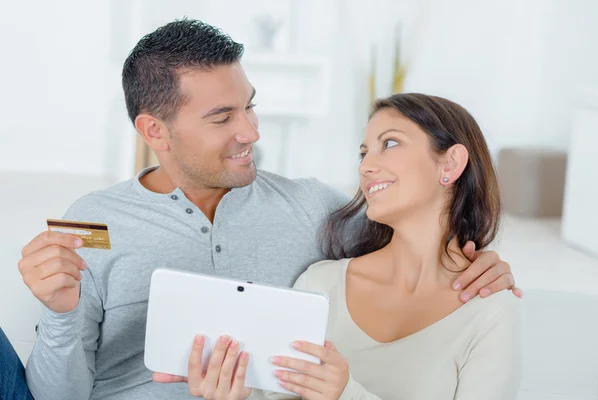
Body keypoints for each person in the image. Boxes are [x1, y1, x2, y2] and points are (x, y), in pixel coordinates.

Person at [9, 19, 518, 400]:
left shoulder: (313, 207)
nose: (251, 132)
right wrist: (60, 315)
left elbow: (416, 235)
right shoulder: (89, 219)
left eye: (249, 105)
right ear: (154, 131)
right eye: (223, 117)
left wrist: (481, 259)